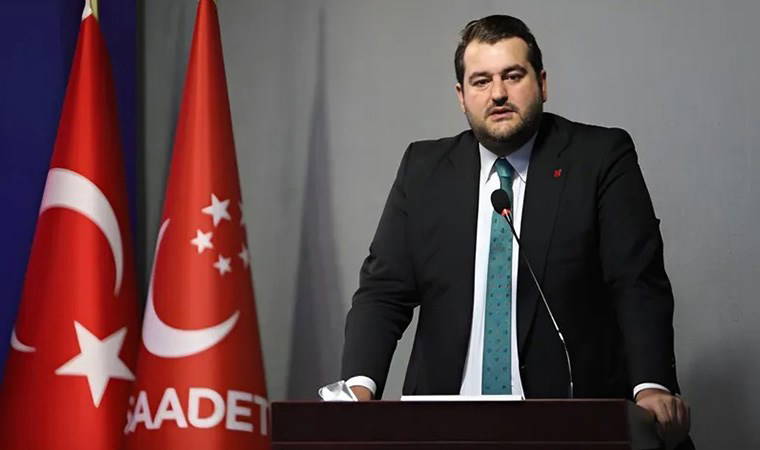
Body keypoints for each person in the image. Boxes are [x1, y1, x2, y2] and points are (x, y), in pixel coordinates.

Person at [341, 15, 691, 448]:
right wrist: (358, 388)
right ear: (461, 96)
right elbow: (383, 292)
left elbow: (636, 281)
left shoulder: (599, 157)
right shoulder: (423, 169)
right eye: (481, 81)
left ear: (542, 83)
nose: (498, 93)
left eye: (512, 76)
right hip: (444, 428)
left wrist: (651, 385)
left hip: (566, 424)